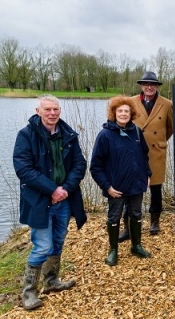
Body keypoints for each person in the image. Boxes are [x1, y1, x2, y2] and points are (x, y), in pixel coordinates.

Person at [13, 94, 87, 310]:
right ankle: (28, 293)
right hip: (39, 201)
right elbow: (23, 169)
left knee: (57, 241)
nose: (52, 113)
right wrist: (52, 189)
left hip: (64, 199)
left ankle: (51, 281)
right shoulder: (26, 135)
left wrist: (64, 189)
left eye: (55, 109)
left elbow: (79, 164)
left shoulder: (68, 135)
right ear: (38, 111)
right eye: (47, 110)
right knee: (42, 246)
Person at [90, 96, 152, 266]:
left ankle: (136, 245)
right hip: (116, 187)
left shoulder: (137, 132)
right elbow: (95, 166)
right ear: (114, 113)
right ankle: (113, 250)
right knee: (114, 217)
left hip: (137, 184)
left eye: (126, 111)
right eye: (120, 111)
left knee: (136, 214)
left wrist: (147, 174)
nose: (123, 114)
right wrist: (107, 186)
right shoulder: (105, 135)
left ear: (131, 113)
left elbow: (145, 155)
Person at [118, 71, 173, 241]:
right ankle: (127, 225)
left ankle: (154, 222)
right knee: (130, 189)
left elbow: (170, 127)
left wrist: (159, 141)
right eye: (146, 84)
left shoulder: (167, 104)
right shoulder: (131, 102)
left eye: (153, 84)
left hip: (156, 151)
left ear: (157, 86)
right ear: (141, 86)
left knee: (156, 189)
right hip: (135, 153)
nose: (149, 87)